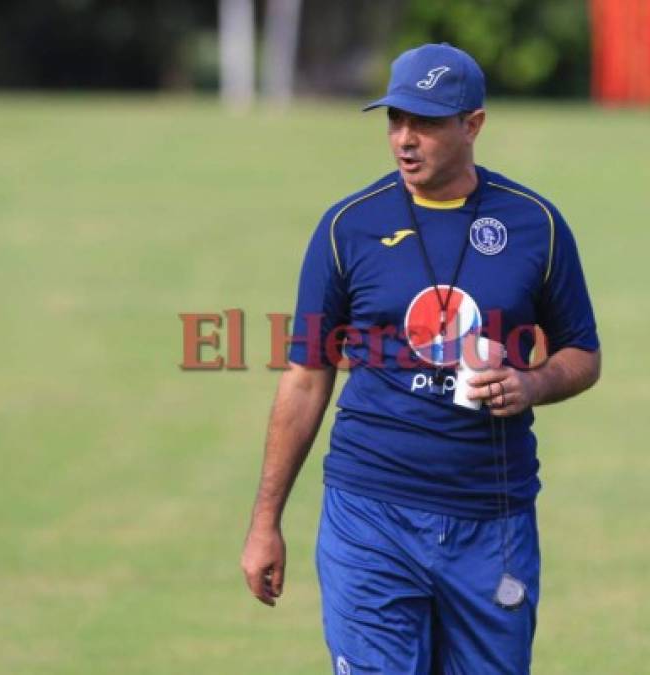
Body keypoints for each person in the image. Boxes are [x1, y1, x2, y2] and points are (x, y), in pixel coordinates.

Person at [241, 42, 601, 674]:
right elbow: (305, 378)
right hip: (369, 515)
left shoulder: (535, 225)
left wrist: (531, 383)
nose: (405, 139)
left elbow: (583, 354)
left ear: (474, 125)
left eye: (427, 122)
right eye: (395, 120)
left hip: (493, 523)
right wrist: (265, 522)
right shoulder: (347, 227)